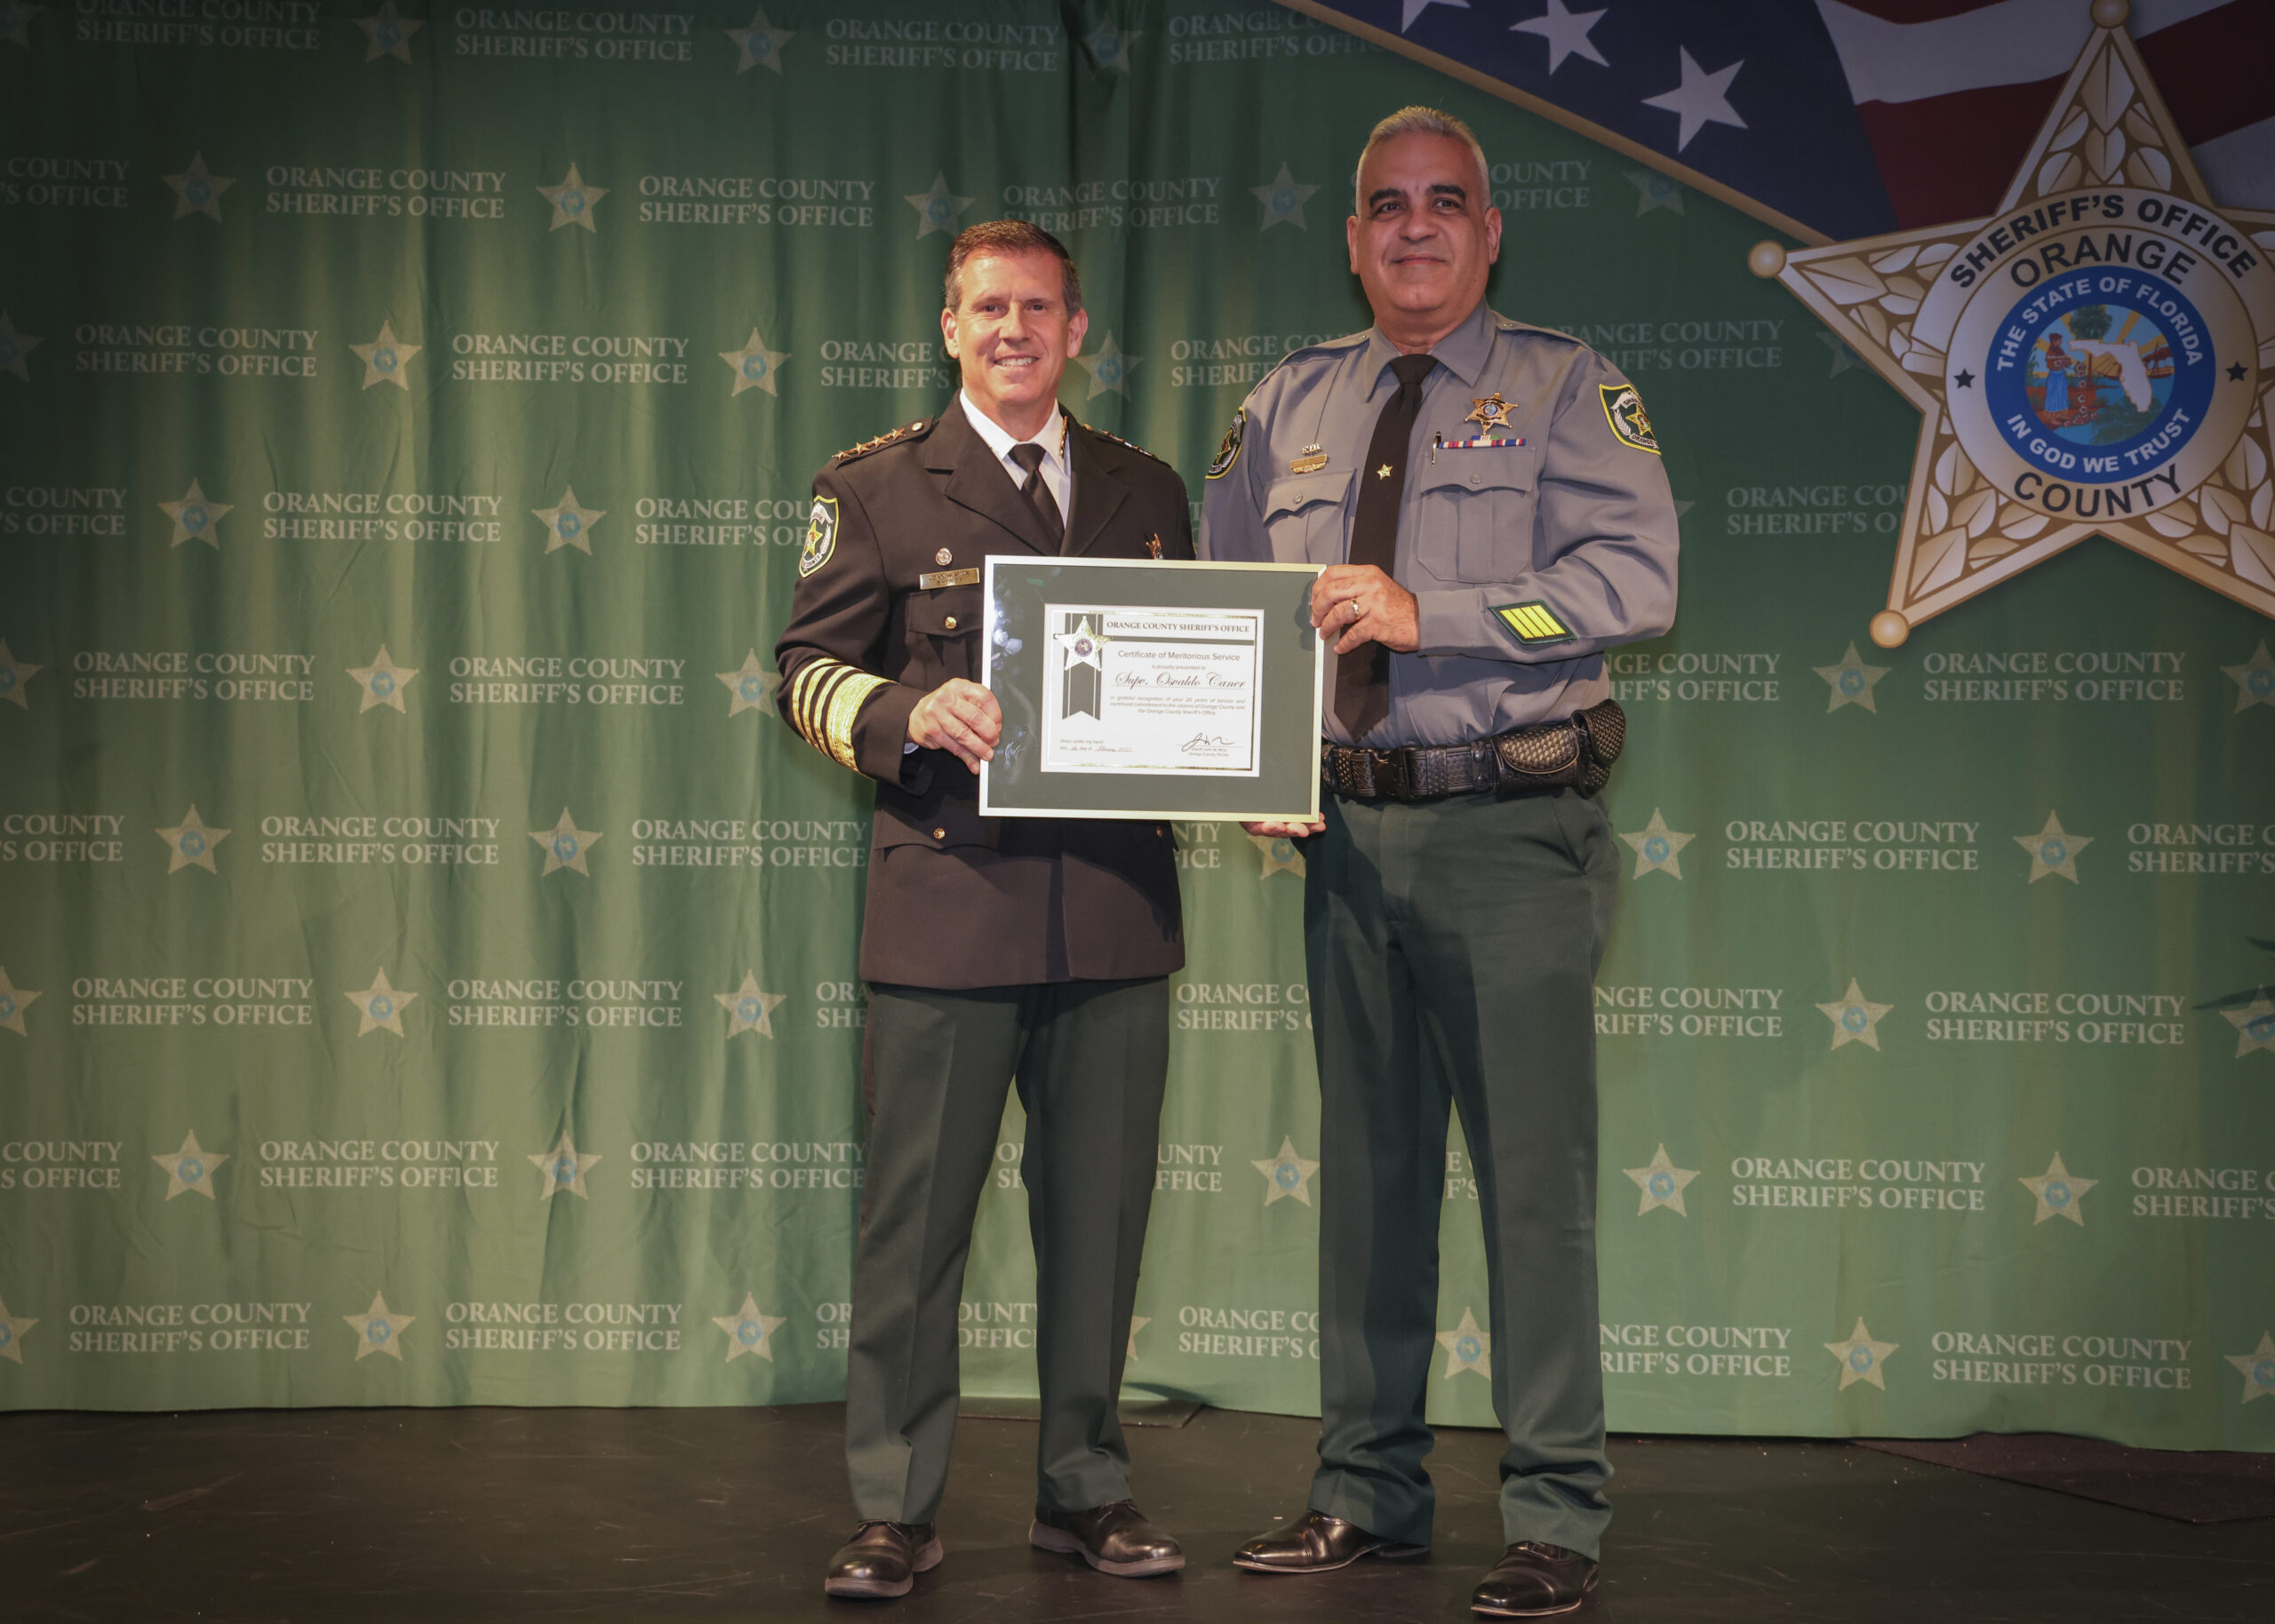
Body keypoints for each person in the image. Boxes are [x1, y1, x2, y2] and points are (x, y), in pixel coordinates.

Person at [1201, 107, 1677, 1617]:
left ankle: (1555, 1515)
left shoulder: (1567, 386)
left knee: (1534, 1186)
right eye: (1389, 204)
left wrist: (1437, 616)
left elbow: (1635, 585)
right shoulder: (1288, 403)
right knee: (1372, 1183)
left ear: (1489, 232)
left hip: (1512, 833)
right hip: (1347, 840)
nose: (1417, 225)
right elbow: (1227, 604)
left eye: (1446, 202)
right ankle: (1367, 1493)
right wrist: (1248, 760)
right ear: (1353, 239)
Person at [774, 219, 1193, 1600]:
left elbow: (1190, 680)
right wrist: (909, 710)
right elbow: (803, 672)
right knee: (915, 1234)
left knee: (1101, 1226)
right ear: (950, 328)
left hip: (1113, 915)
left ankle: (1087, 1491)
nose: (1015, 330)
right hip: (948, 911)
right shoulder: (876, 486)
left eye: (1039, 309)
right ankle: (894, 1506)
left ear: (1078, 332)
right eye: (988, 308)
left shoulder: (1146, 489)